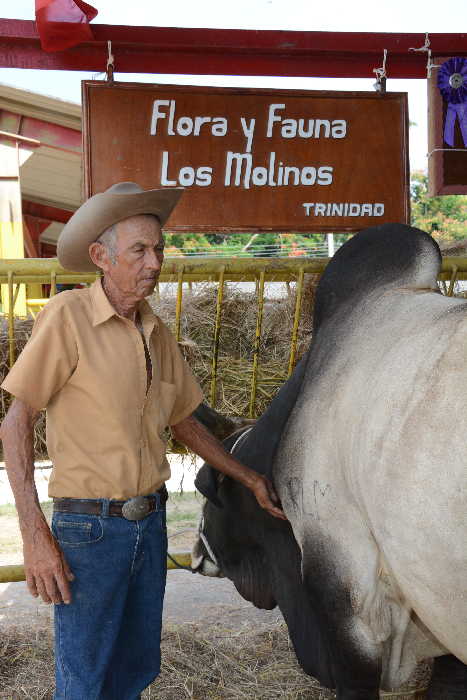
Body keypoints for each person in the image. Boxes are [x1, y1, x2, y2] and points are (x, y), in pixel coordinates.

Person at [0, 182, 285, 700]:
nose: (155, 262)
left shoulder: (156, 330)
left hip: (148, 524)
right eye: (140, 250)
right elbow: (15, 424)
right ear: (100, 257)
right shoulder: (67, 318)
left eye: (159, 248)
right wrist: (36, 537)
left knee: (136, 669)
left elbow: (186, 422)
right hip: (87, 530)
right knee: (85, 680)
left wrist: (247, 477)